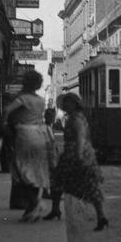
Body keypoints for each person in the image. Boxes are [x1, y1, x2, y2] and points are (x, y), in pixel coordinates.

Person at [45, 92, 108, 231]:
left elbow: (80, 137)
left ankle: (101, 216)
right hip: (74, 153)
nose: (65, 105)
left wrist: (79, 156)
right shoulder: (74, 117)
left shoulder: (76, 119)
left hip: (76, 154)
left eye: (68, 103)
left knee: (87, 185)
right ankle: (56, 209)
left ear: (75, 104)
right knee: (59, 180)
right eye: (65, 103)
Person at [4, 70, 52, 222]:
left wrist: (5, 122)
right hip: (39, 135)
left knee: (21, 172)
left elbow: (7, 110)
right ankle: (30, 210)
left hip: (25, 135)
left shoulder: (23, 98)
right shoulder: (40, 100)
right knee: (36, 171)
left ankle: (36, 203)